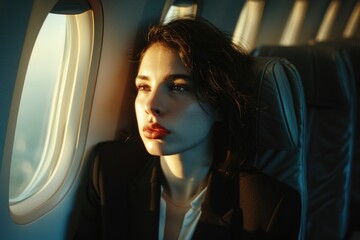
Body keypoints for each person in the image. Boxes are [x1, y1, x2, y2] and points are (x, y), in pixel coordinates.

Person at [74, 17, 301, 240]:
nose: (151, 105)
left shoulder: (267, 208)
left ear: (220, 105)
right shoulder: (109, 170)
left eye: (178, 87)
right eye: (144, 86)